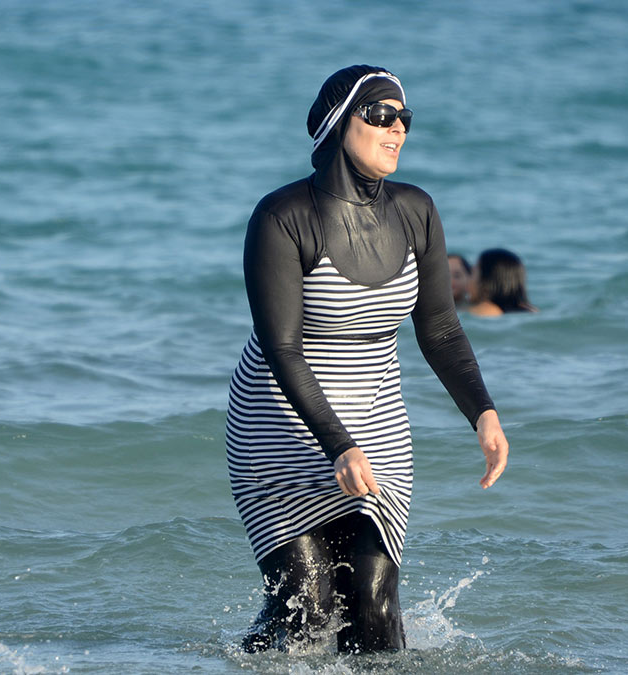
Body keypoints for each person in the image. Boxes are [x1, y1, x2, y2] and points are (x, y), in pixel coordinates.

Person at [225, 65, 509, 654]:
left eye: (405, 117)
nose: (398, 127)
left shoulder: (416, 211)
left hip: (377, 427)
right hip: (280, 427)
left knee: (375, 607)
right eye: (381, 114)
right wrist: (336, 443)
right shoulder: (282, 218)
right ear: (337, 123)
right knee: (305, 611)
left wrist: (483, 413)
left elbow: (439, 327)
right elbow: (281, 348)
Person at [467, 248, 538, 317]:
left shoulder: (485, 310)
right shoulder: (530, 310)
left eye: (473, 272)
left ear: (486, 281)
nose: (468, 279)